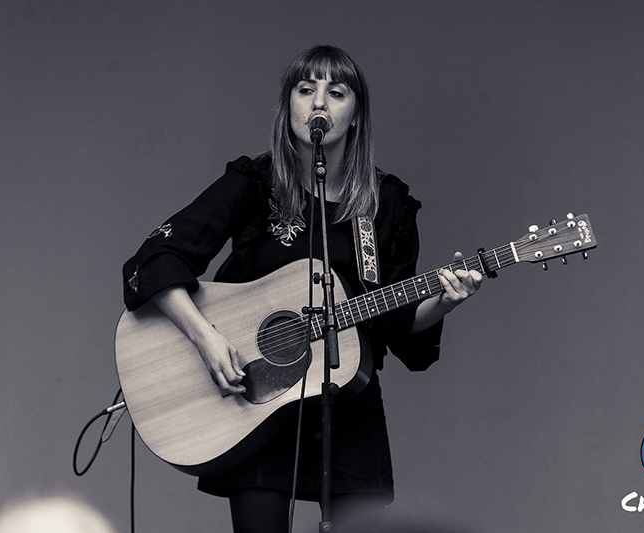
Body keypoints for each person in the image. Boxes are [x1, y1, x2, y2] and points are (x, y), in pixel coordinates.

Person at [122, 45, 482, 533]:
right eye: (306, 89)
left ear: (355, 115)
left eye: (336, 93)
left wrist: (444, 301)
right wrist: (206, 339)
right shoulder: (256, 184)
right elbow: (156, 258)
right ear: (287, 105)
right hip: (256, 406)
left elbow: (397, 323)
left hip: (347, 409)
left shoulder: (385, 202)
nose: (319, 104)